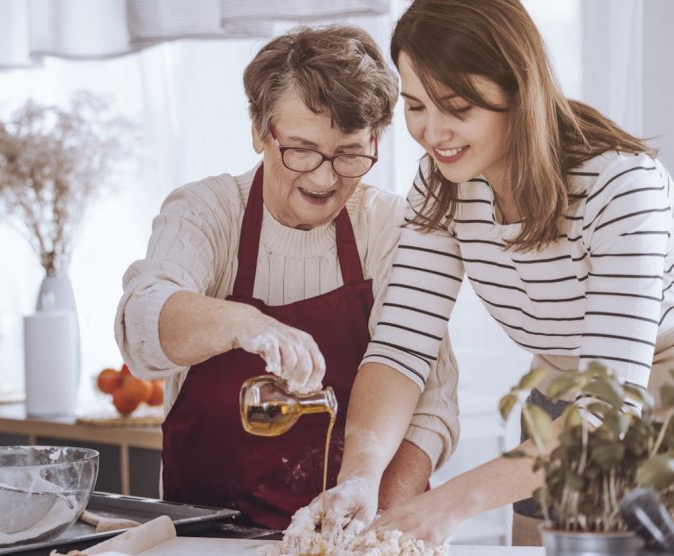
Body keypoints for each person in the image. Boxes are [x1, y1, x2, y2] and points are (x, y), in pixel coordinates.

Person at [298, 0, 674, 546]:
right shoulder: (443, 182)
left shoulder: (621, 186)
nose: (432, 132)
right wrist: (361, 475)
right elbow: (402, 348)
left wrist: (450, 502)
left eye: (456, 107)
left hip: (653, 401)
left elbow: (611, 408)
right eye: (416, 106)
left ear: (519, 91)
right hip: (558, 399)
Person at [114, 25, 460, 530]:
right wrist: (242, 323)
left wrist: (369, 524)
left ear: (375, 141)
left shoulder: (391, 227)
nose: (323, 179)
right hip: (214, 541)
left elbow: (431, 405)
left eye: (348, 153)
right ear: (259, 130)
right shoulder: (207, 211)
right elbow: (140, 325)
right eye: (300, 149)